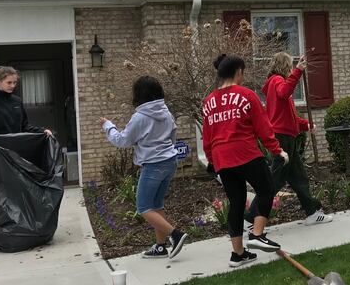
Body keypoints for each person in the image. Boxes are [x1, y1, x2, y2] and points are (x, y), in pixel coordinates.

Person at [203, 54, 289, 267]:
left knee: (237, 202)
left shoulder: (209, 101)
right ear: (238, 72)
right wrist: (277, 150)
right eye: (243, 72)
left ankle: (238, 254)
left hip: (222, 159)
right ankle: (257, 235)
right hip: (245, 153)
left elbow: (207, 136)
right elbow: (263, 127)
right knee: (266, 190)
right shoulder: (246, 95)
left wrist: (212, 161)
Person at [99, 76, 188, 260]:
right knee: (156, 205)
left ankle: (175, 234)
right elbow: (172, 136)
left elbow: (122, 140)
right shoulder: (166, 113)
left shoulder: (139, 117)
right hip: (170, 162)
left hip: (153, 165)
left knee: (143, 208)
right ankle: (160, 247)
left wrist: (108, 126)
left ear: (138, 95)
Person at [245, 52, 332, 228]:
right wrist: (298, 72)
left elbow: (288, 115)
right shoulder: (277, 81)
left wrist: (305, 125)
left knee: (299, 177)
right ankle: (251, 218)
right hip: (282, 138)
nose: (292, 68)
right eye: (290, 65)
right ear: (285, 65)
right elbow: (284, 93)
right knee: (274, 181)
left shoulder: (275, 84)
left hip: (285, 136)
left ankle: (312, 212)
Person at [0, 66, 54, 251]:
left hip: (17, 157)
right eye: (9, 82)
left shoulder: (17, 102)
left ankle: (24, 232)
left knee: (20, 194)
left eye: (15, 82)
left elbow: (24, 126)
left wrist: (43, 131)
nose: (13, 86)